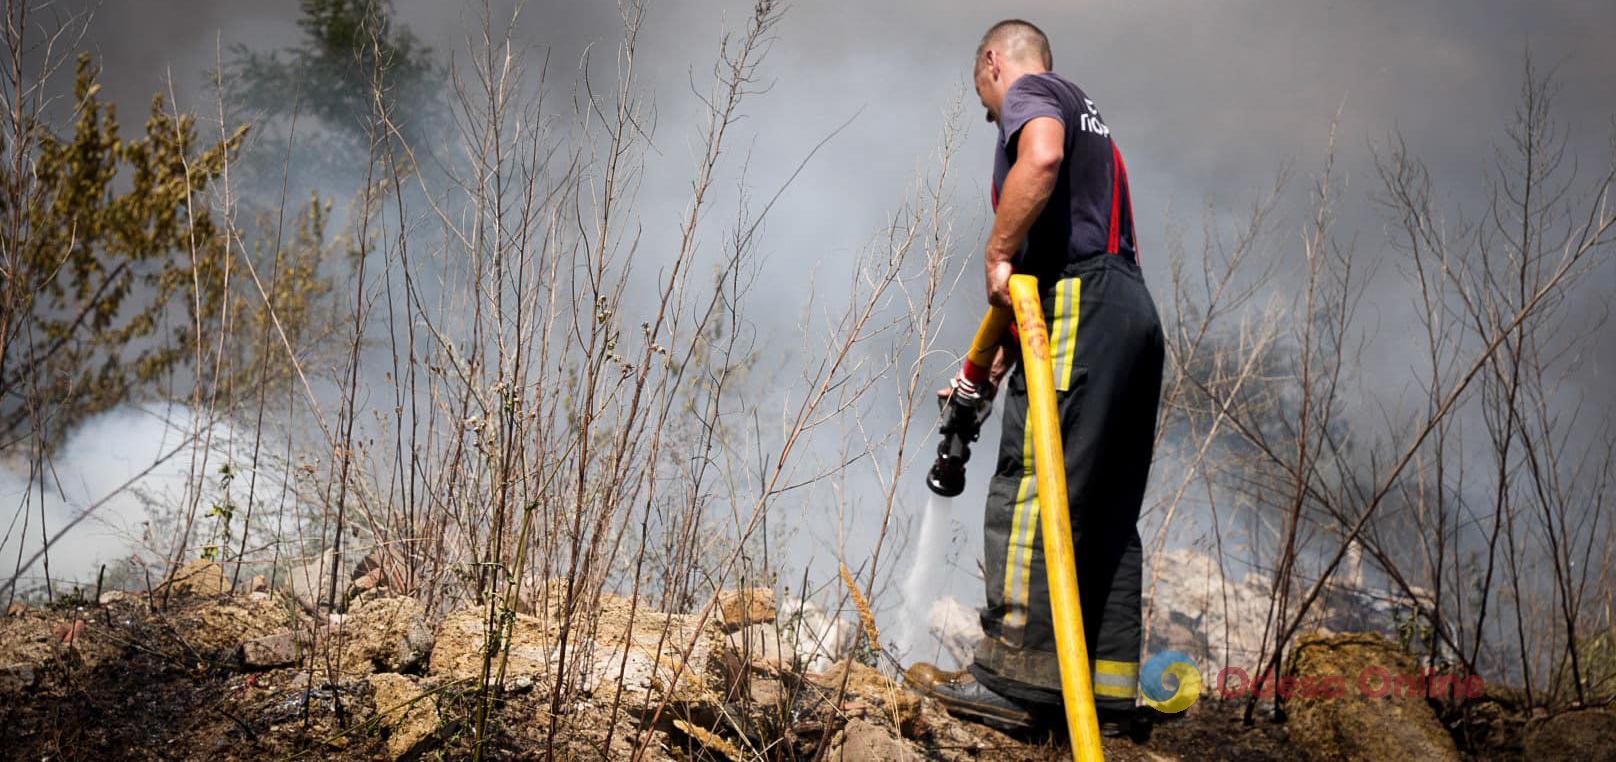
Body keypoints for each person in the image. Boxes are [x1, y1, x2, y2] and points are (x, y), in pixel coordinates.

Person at [914, 19, 1165, 739]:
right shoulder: (1095, 117)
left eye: (988, 105)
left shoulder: (1036, 94)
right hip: (1130, 313)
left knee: (1032, 482)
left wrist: (997, 253)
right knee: (1105, 504)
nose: (996, 117)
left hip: (1080, 300)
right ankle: (1106, 693)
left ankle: (1017, 683)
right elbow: (1061, 242)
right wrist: (994, 362)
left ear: (995, 65)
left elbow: (1042, 159)